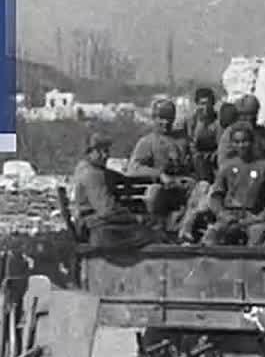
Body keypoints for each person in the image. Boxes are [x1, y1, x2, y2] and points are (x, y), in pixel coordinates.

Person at [201, 126, 265, 246]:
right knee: (211, 237)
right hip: (231, 216)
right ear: (232, 144)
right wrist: (222, 214)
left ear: (252, 142)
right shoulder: (227, 167)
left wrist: (262, 216)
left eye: (245, 141)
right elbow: (216, 196)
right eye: (237, 142)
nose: (241, 146)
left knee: (257, 237)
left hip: (256, 217)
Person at [71, 134, 154, 246]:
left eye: (106, 151)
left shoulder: (84, 167)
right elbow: (107, 211)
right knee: (151, 234)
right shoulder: (92, 174)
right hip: (99, 230)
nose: (105, 155)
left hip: (92, 225)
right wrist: (135, 217)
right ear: (89, 152)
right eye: (100, 151)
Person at [126, 99, 194, 231]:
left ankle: (187, 227)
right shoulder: (147, 142)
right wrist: (159, 175)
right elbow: (133, 168)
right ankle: (157, 227)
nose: (166, 122)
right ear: (154, 118)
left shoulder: (183, 141)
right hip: (163, 189)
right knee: (154, 192)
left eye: (169, 118)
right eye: (161, 118)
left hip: (182, 188)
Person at [219, 94, 265, 163]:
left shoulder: (264, 134)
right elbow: (224, 161)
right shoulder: (230, 134)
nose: (249, 118)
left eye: (253, 114)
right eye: (244, 115)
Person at [183, 87, 222, 181]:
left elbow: (221, 144)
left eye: (208, 103)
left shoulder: (219, 122)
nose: (206, 107)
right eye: (202, 104)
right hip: (196, 161)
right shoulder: (191, 121)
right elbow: (189, 142)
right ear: (197, 104)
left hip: (214, 160)